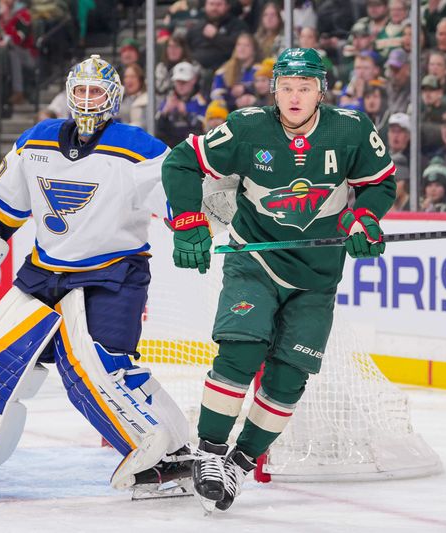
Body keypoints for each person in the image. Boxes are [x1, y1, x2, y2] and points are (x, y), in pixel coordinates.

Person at [0, 55, 192, 498]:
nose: (85, 101)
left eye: (95, 92)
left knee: (96, 369)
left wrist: (195, 219)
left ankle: (166, 457)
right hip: (44, 275)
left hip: (111, 276)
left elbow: (181, 192)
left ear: (112, 98)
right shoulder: (36, 142)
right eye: (78, 91)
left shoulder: (137, 147)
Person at [161, 47, 396, 513]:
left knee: (289, 378)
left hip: (317, 276)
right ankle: (209, 453)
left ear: (320, 91)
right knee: (242, 349)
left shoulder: (351, 130)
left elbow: (379, 182)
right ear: (274, 89)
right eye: (286, 87)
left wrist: (365, 218)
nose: (294, 96)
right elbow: (181, 161)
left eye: (304, 87)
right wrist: (189, 219)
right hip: (255, 263)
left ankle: (239, 464)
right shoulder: (248, 127)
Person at [155, 61, 207, 147]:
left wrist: (186, 113)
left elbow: (204, 127)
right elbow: (156, 127)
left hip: (192, 147)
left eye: (184, 82)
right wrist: (165, 113)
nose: (180, 85)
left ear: (193, 80)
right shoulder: (169, 99)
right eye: (178, 82)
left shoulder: (200, 100)